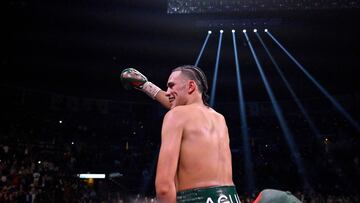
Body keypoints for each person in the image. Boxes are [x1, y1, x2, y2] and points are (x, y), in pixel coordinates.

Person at [121, 65, 240, 203]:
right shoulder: (219, 119)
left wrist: (145, 85)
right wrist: (146, 85)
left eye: (171, 86)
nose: (167, 92)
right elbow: (179, 106)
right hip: (231, 198)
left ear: (190, 86)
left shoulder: (176, 116)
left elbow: (164, 188)